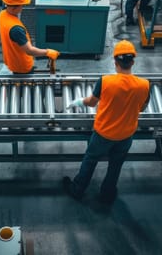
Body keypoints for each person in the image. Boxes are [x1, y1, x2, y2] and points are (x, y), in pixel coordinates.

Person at [63, 40, 150, 203]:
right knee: (116, 165)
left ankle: (78, 189)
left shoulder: (105, 81)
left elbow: (91, 102)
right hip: (126, 135)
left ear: (115, 61)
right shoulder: (144, 85)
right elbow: (142, 108)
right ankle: (107, 193)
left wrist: (79, 102)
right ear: (132, 62)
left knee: (90, 159)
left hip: (103, 134)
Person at [0, 0, 59, 74]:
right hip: (21, 67)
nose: (23, 7)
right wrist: (48, 52)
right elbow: (29, 50)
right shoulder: (16, 29)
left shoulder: (2, 15)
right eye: (22, 5)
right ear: (13, 8)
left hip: (11, 60)